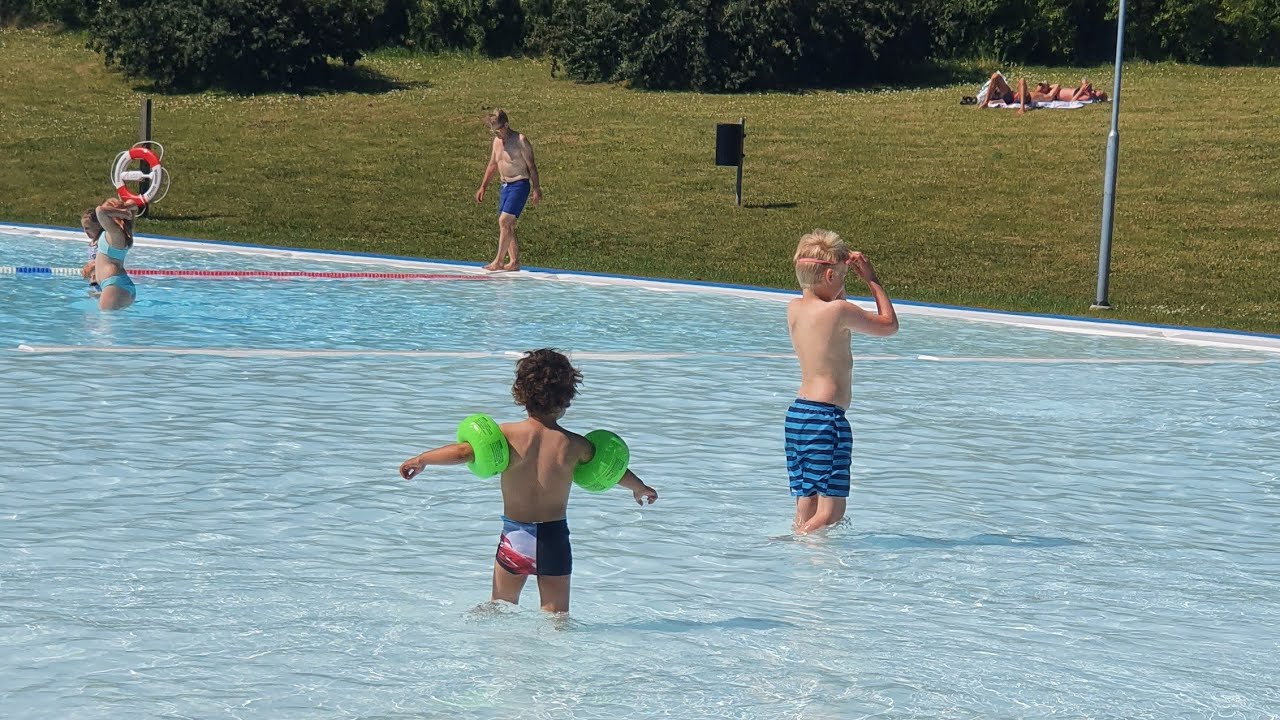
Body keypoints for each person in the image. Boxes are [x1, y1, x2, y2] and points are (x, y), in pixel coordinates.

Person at [398, 349, 657, 614]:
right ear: (567, 398)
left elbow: (463, 452)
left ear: (520, 393)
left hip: (516, 536)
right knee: (556, 616)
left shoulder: (506, 437)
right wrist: (639, 487)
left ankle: (496, 651)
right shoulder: (575, 444)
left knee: (500, 606)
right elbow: (611, 472)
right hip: (554, 538)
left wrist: (423, 459)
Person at [785, 230, 898, 534]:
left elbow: (832, 295)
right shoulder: (839, 311)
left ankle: (802, 560)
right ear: (832, 275)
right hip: (826, 419)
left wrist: (841, 274)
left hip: (798, 417)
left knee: (806, 505)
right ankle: (791, 543)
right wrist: (872, 279)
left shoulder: (794, 308)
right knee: (831, 512)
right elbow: (889, 325)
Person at [474, 109, 541, 272]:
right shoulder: (497, 142)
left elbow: (531, 166)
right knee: (507, 225)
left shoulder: (520, 141)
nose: (497, 135)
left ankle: (498, 261)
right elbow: (492, 165)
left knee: (504, 221)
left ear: (506, 125)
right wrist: (483, 186)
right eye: (494, 131)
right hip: (505, 185)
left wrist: (536, 188)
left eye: (499, 130)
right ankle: (514, 261)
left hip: (519, 184)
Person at [79, 197, 139, 311]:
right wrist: (125, 208)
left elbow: (100, 210)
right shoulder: (115, 233)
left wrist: (122, 212)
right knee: (108, 326)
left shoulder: (115, 233)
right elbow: (134, 204)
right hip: (116, 285)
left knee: (105, 326)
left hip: (113, 285)